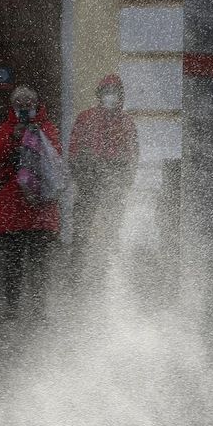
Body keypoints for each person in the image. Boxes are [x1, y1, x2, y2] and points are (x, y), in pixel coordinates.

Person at [0, 85, 62, 319]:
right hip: (14, 205)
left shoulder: (47, 128)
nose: (23, 108)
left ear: (36, 105)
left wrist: (35, 138)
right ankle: (12, 307)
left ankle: (39, 308)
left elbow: (55, 158)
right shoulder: (6, 128)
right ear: (12, 106)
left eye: (28, 104)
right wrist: (14, 137)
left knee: (39, 262)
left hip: (40, 207)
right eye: (18, 104)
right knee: (13, 261)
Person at [67, 74, 139, 281]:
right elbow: (74, 148)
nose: (110, 96)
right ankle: (76, 270)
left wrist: (125, 180)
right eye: (107, 92)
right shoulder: (86, 118)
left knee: (112, 229)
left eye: (114, 93)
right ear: (99, 95)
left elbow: (133, 154)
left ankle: (109, 271)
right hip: (89, 180)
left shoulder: (126, 122)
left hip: (114, 181)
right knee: (82, 226)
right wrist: (81, 173)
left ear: (120, 96)